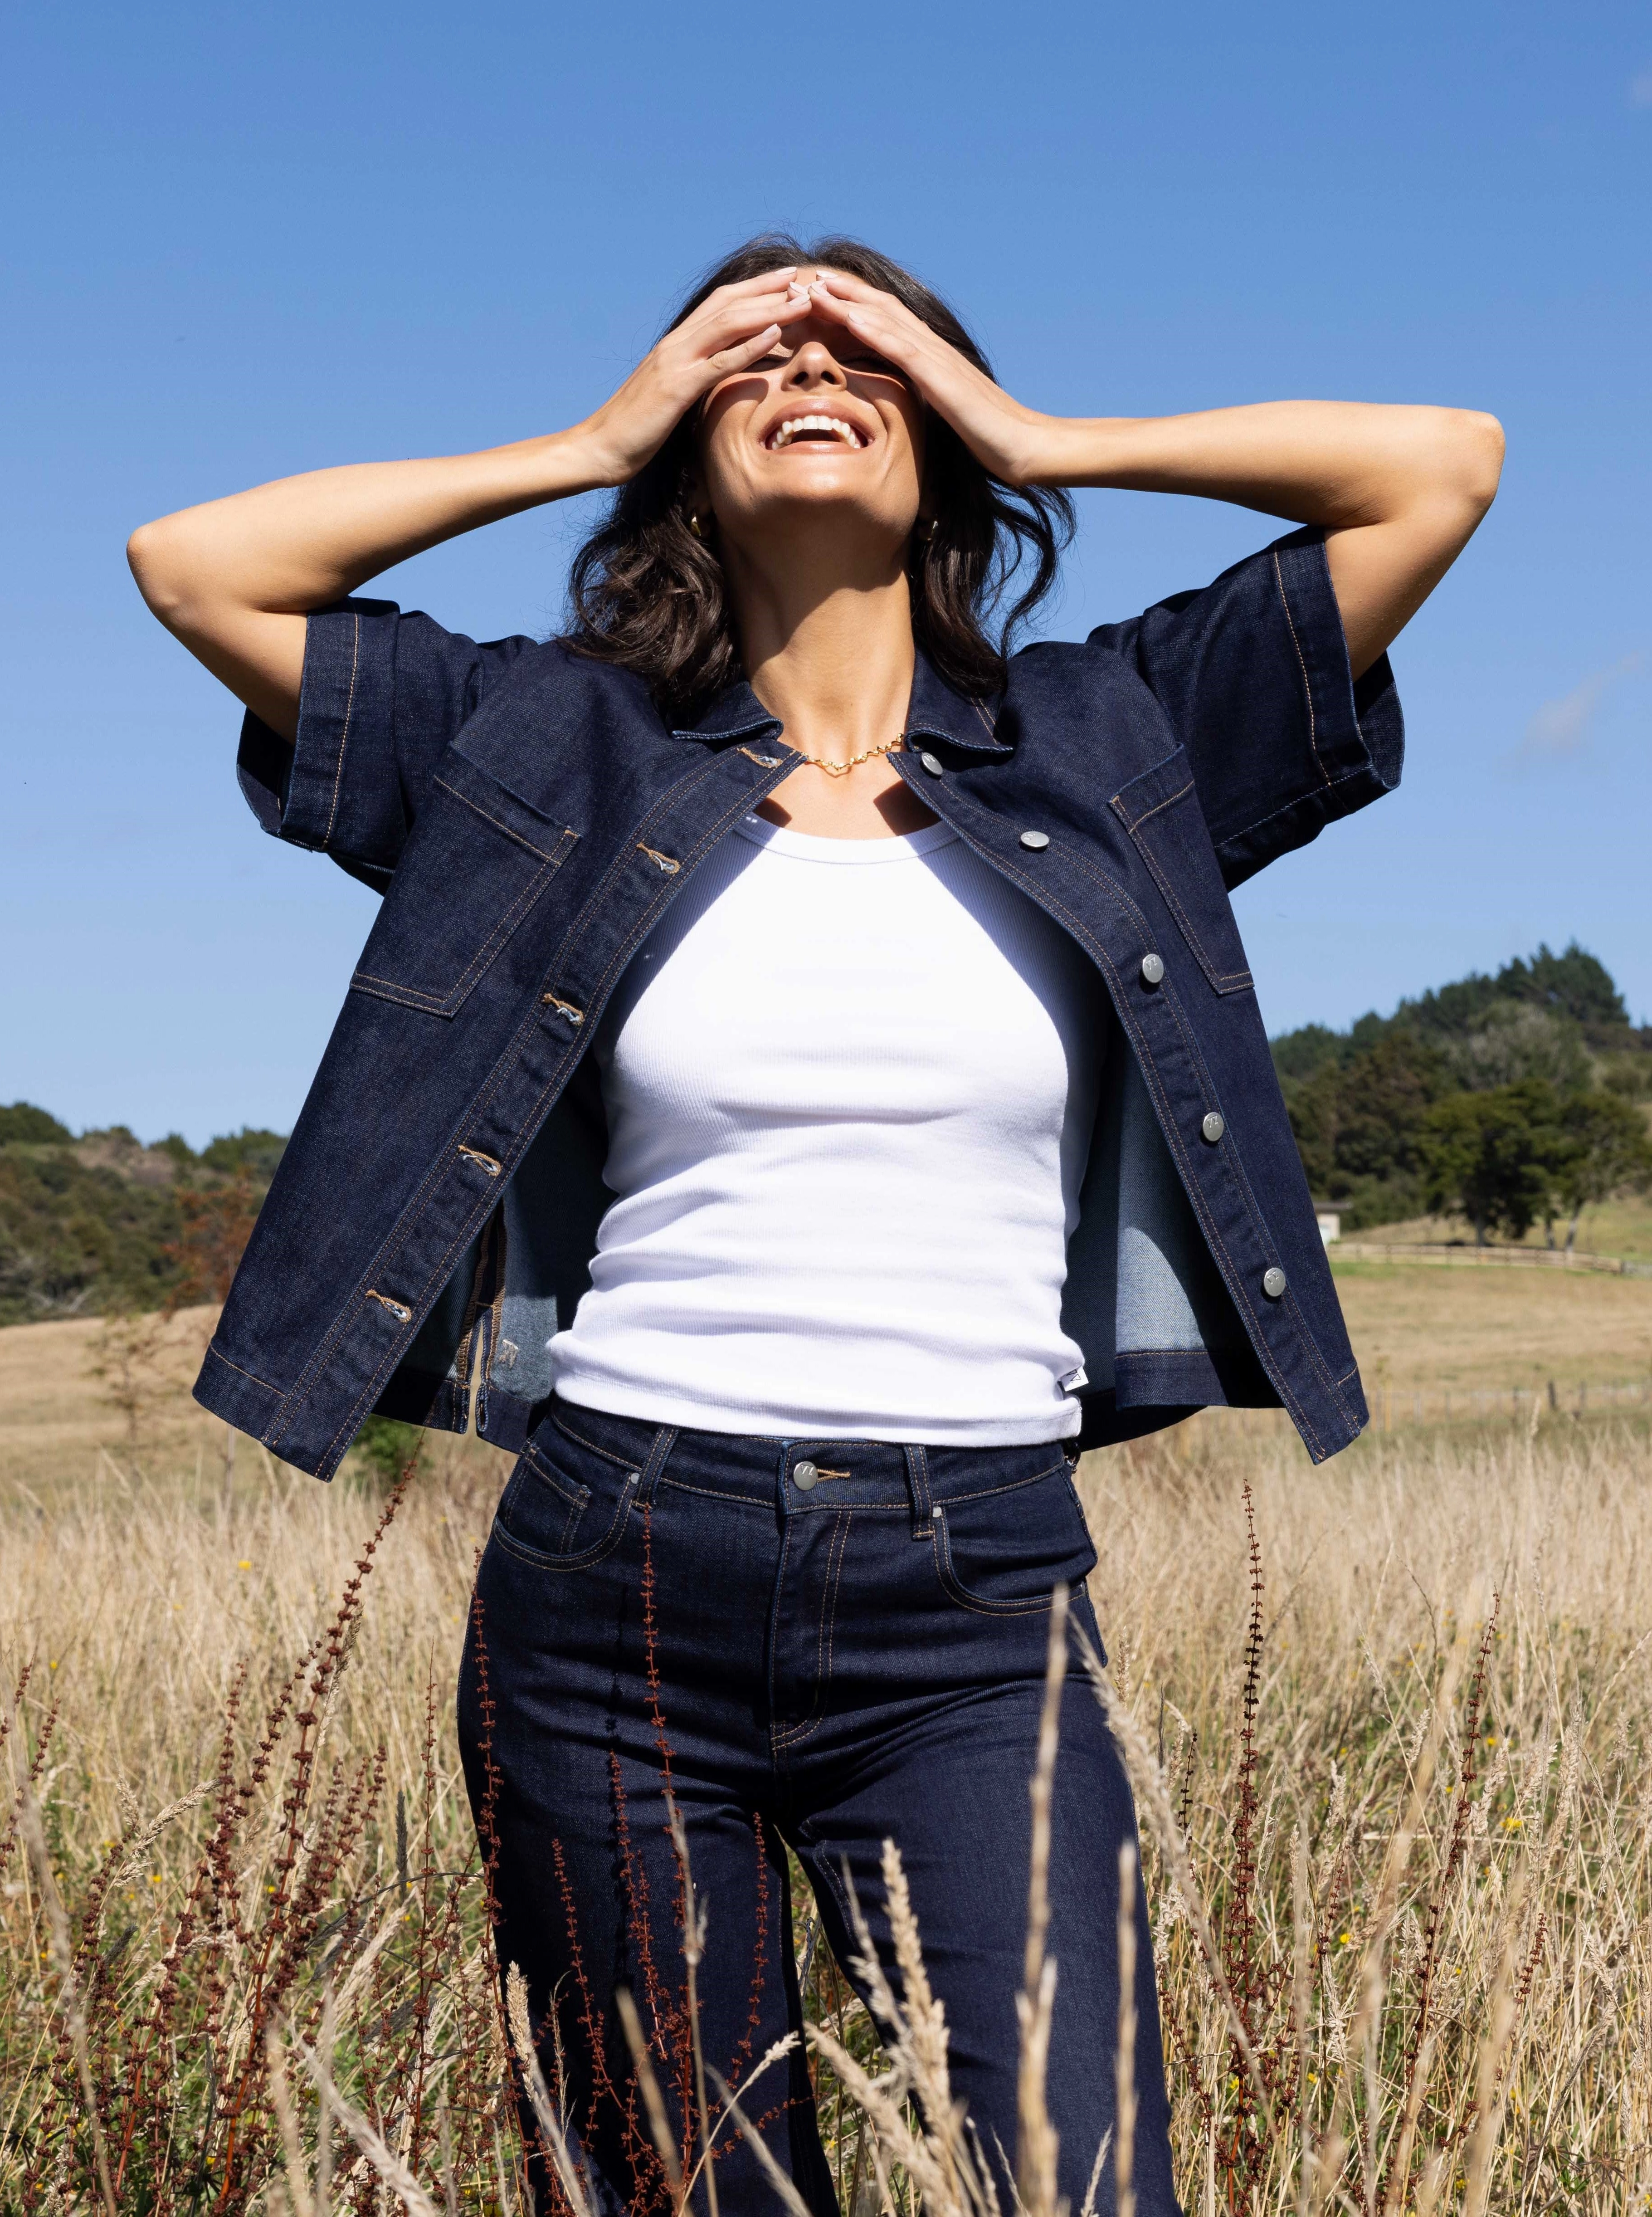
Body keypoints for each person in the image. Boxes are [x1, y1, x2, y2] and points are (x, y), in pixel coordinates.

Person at [128, 235, 1502, 2215]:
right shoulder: (551, 752)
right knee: (676, 2188)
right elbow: (199, 565)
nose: (808, 362)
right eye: (748, 350)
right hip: (611, 1581)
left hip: (975, 1593)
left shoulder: (1110, 739)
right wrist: (590, 433)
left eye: (865, 345)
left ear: (940, 435)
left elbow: (1436, 465)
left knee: (1079, 2177)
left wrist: (1042, 429)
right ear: (686, 448)